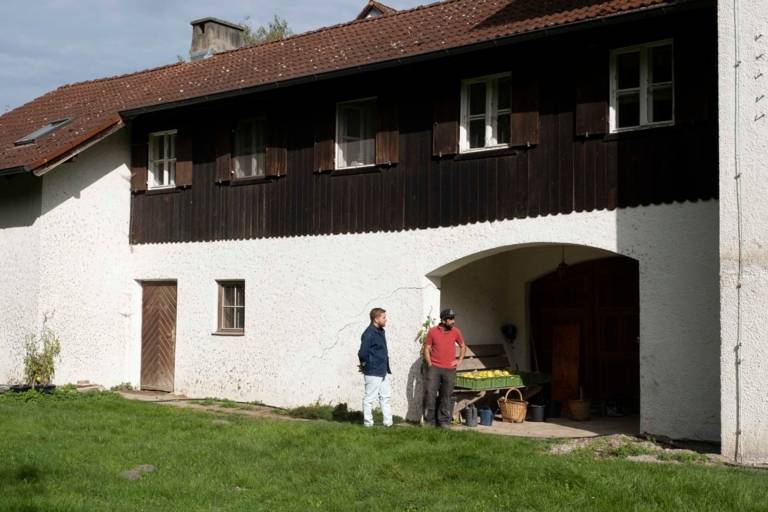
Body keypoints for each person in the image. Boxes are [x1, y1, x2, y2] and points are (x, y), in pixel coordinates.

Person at [423, 308, 466, 428]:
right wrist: (430, 363)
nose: (453, 321)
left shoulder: (456, 331)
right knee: (430, 394)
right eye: (450, 319)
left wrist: (460, 360)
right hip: (434, 368)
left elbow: (463, 346)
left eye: (453, 318)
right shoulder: (432, 331)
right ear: (443, 320)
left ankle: (443, 421)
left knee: (446, 395)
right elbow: (427, 348)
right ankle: (429, 422)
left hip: (449, 369)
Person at [357, 307, 392, 427]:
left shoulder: (381, 331)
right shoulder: (369, 333)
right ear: (376, 319)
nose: (386, 319)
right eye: (383, 317)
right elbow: (362, 353)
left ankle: (388, 424)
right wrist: (364, 365)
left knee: (385, 397)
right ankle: (368, 424)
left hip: (383, 370)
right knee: (369, 398)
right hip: (372, 371)